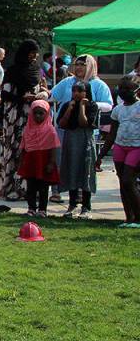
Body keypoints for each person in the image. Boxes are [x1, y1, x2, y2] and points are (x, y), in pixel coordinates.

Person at [48, 55, 113, 202]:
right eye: (77, 64)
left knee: (83, 162)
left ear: (90, 66)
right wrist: (43, 94)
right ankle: (56, 191)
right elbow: (53, 95)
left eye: (83, 64)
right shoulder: (67, 82)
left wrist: (91, 105)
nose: (78, 67)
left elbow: (108, 105)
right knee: (59, 160)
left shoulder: (98, 84)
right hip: (64, 128)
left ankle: (79, 192)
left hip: (86, 130)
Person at [0, 39, 49, 201]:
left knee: (31, 152)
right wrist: (21, 98)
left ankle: (29, 189)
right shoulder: (12, 71)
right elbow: (5, 94)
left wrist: (41, 94)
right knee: (15, 151)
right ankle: (13, 188)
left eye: (36, 53)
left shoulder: (37, 70)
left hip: (33, 116)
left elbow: (43, 87)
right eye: (32, 53)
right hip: (15, 117)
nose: (35, 56)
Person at [98, 76, 140, 227]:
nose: (123, 91)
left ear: (136, 89)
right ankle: (128, 218)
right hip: (120, 147)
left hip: (136, 147)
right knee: (123, 183)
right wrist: (101, 155)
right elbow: (112, 134)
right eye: (121, 88)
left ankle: (138, 217)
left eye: (127, 89)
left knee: (129, 180)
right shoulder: (117, 110)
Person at [57, 82, 99, 219]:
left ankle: (86, 207)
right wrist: (70, 109)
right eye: (74, 90)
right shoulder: (67, 105)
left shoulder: (92, 106)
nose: (76, 93)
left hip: (85, 141)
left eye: (80, 91)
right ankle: (72, 204)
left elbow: (84, 123)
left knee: (86, 172)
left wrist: (82, 107)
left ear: (86, 92)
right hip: (71, 141)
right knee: (72, 170)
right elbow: (61, 123)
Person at [18, 100, 61, 217]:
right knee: (30, 187)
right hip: (31, 160)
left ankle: (42, 209)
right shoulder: (28, 129)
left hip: (44, 161)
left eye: (41, 113)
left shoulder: (50, 130)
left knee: (43, 187)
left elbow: (53, 147)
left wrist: (51, 163)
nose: (38, 116)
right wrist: (22, 161)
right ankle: (31, 208)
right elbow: (24, 146)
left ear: (47, 114)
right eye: (35, 113)